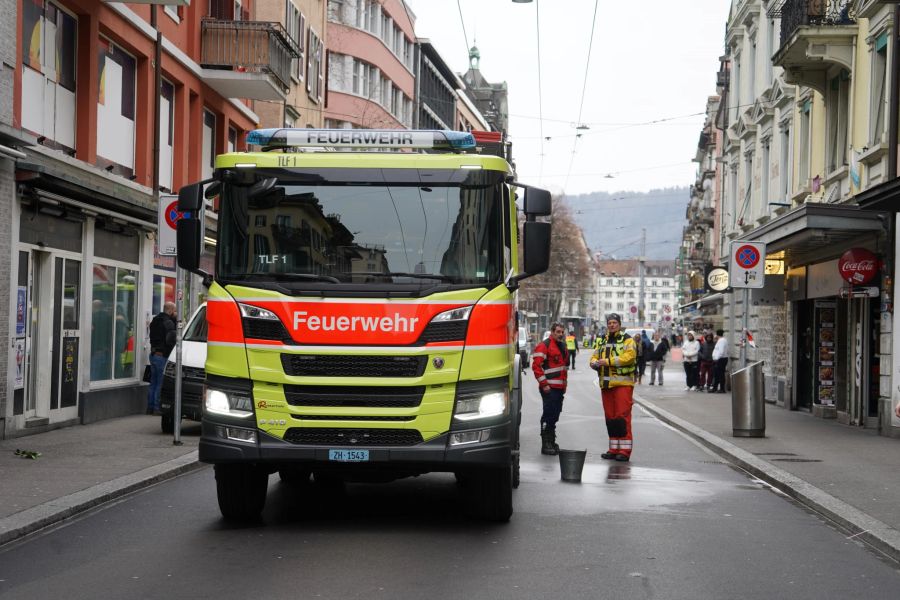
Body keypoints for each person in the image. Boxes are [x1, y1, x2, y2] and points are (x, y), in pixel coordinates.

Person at [590, 313, 637, 462]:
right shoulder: (603, 340)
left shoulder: (627, 339)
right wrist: (593, 363)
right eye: (609, 322)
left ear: (619, 324)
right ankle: (613, 448)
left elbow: (629, 357)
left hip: (622, 384)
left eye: (614, 323)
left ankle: (624, 451)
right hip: (606, 385)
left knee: (621, 417)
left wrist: (607, 362)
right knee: (610, 418)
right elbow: (594, 355)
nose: (611, 325)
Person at [532, 322, 569, 455]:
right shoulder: (544, 345)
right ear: (552, 332)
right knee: (548, 415)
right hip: (549, 388)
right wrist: (544, 384)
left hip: (559, 389)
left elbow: (564, 369)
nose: (560, 334)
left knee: (555, 415)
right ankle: (546, 444)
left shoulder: (563, 346)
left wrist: (564, 386)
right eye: (558, 332)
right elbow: (536, 366)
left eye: (561, 332)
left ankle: (551, 441)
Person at [147, 302, 177, 415]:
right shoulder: (168, 322)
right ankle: (156, 407)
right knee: (160, 382)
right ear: (170, 310)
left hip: (153, 355)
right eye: (174, 310)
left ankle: (150, 407)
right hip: (162, 356)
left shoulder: (155, 320)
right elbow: (171, 339)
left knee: (153, 382)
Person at [710, 329, 729, 393]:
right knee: (718, 374)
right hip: (721, 359)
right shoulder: (722, 340)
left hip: (720, 359)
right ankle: (716, 388)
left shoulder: (721, 341)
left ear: (717, 334)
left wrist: (716, 359)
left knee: (719, 374)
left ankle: (721, 388)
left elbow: (721, 351)